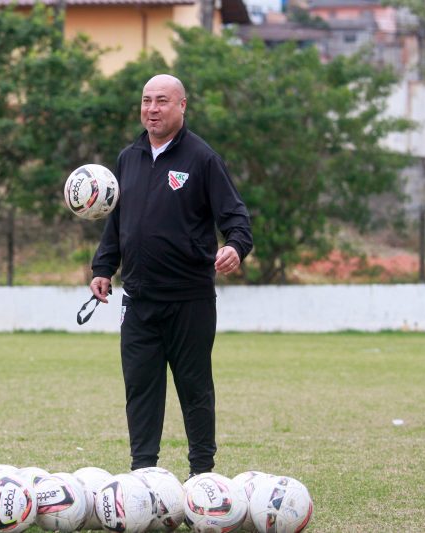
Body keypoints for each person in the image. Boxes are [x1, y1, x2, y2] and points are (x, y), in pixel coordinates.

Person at [89, 74, 253, 477]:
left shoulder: (202, 158)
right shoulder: (129, 157)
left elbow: (237, 219)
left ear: (182, 106)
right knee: (140, 390)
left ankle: (202, 475)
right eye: (146, 101)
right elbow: (118, 222)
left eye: (162, 101)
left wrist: (234, 246)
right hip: (139, 299)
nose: (152, 109)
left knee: (195, 390)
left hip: (189, 299)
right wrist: (103, 268)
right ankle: (143, 475)